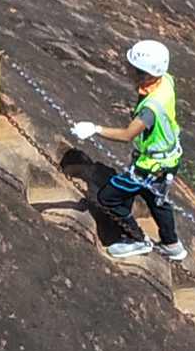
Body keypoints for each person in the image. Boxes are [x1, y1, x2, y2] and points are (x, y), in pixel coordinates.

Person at [64, 39, 186, 262]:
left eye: (133, 69)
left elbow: (128, 134)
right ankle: (172, 245)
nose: (128, 71)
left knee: (108, 197)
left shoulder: (151, 108)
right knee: (157, 201)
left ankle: (137, 239)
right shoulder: (165, 81)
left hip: (149, 166)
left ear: (145, 73)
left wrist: (94, 129)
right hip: (169, 159)